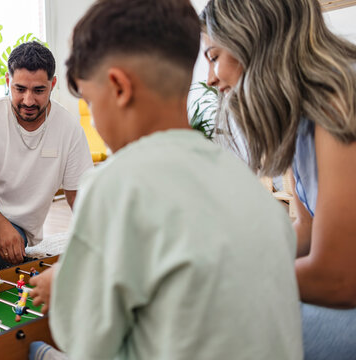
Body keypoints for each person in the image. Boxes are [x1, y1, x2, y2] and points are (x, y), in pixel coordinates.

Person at [28, 0, 303, 359]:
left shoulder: (114, 185)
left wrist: (62, 292)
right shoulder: (246, 183)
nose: (92, 122)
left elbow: (90, 347)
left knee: (35, 351)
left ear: (118, 88)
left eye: (92, 104)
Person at [199, 0, 356, 358]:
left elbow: (339, 279)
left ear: (251, 40)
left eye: (213, 56)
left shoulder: (341, 97)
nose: (210, 78)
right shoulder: (304, 112)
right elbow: (307, 229)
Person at [0, 41, 93, 268]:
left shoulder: (70, 128)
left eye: (39, 90)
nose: (29, 100)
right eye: (20, 89)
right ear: (7, 82)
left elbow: (77, 195)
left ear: (52, 84)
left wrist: (97, 241)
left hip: (17, 227)